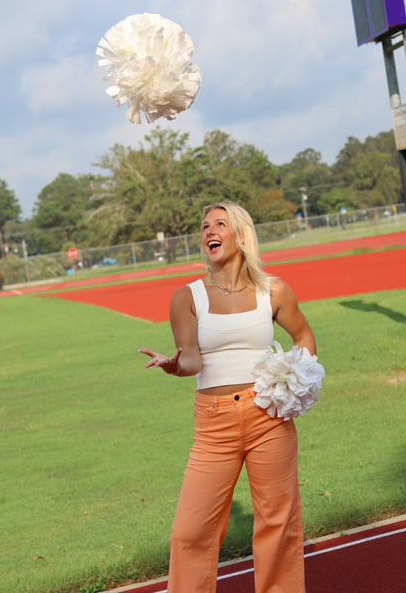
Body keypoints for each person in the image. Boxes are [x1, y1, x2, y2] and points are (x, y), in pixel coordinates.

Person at [139, 201, 317, 593]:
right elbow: (191, 361)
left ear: (240, 234)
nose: (209, 231)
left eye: (220, 224)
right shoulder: (186, 296)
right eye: (205, 227)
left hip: (269, 417)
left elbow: (303, 336)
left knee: (277, 523)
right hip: (214, 423)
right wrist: (173, 365)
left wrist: (297, 378)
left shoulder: (274, 290)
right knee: (189, 531)